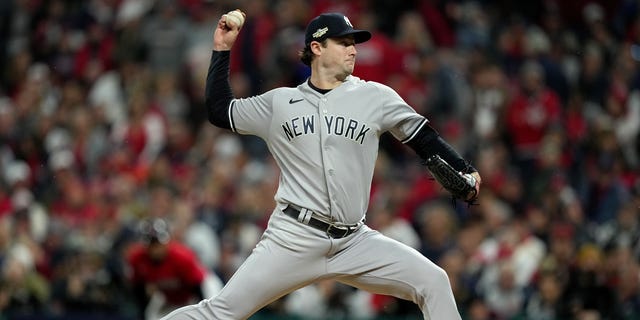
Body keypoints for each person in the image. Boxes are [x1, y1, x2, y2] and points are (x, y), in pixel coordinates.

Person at [160, 10, 481, 320]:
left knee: (434, 281)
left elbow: (424, 139)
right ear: (316, 47)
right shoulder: (279, 103)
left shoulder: (376, 96)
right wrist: (222, 49)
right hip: (293, 237)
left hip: (354, 240)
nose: (352, 50)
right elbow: (220, 110)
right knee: (221, 312)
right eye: (343, 42)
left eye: (354, 43)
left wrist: (464, 168)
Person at [127, 218, 221, 320]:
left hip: (203, 284)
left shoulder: (181, 257)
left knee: (213, 314)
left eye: (158, 243)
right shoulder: (138, 259)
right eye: (151, 244)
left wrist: (203, 314)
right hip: (171, 295)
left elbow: (197, 286)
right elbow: (138, 290)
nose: (155, 249)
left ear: (167, 241)